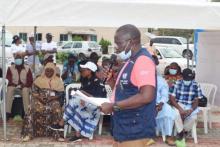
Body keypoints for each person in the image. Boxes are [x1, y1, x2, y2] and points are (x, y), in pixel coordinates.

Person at [100, 24, 156, 147]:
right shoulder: (130, 60)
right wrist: (111, 81)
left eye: (119, 43)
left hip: (136, 130)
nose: (116, 48)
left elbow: (147, 96)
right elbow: (126, 91)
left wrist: (113, 106)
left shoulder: (143, 60)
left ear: (130, 42)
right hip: (124, 127)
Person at [51, 61, 107, 141]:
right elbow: (81, 92)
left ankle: (61, 123)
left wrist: (84, 96)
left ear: (90, 71)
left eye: (83, 70)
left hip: (96, 105)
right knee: (76, 104)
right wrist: (82, 97)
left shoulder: (97, 82)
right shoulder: (84, 80)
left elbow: (97, 98)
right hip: (85, 102)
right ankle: (77, 134)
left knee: (74, 102)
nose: (81, 72)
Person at [21, 63, 64, 141]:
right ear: (44, 71)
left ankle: (58, 135)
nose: (49, 73)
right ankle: (29, 134)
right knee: (32, 108)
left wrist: (53, 98)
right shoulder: (38, 79)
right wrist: (39, 97)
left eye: (51, 71)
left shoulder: (58, 80)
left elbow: (61, 93)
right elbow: (34, 91)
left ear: (54, 71)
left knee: (57, 109)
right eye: (47, 71)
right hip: (39, 99)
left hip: (53, 99)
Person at [169, 68, 203, 146]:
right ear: (182, 77)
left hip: (190, 105)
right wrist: (180, 109)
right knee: (176, 114)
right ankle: (182, 134)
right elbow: (172, 99)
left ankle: (182, 132)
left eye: (189, 79)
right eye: (186, 79)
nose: (188, 80)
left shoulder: (196, 85)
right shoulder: (176, 83)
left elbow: (196, 101)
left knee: (193, 117)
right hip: (179, 104)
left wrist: (191, 109)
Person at [6, 54, 33, 121]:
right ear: (15, 60)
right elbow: (8, 80)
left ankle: (27, 114)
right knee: (9, 90)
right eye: (16, 58)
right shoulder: (10, 68)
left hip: (24, 87)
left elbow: (30, 81)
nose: (18, 59)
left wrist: (24, 85)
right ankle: (7, 113)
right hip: (14, 86)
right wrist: (14, 84)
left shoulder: (27, 68)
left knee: (25, 90)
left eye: (19, 58)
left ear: (23, 59)